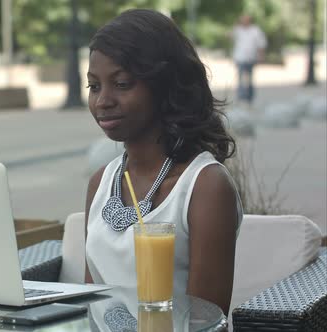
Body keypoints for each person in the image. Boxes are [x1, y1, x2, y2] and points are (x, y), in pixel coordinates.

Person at [84, 9, 242, 316]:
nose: (102, 101)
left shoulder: (204, 187)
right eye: (94, 86)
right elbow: (90, 306)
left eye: (122, 83)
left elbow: (204, 321)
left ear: (164, 85)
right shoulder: (100, 183)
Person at [230, 14, 267, 106]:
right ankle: (241, 97)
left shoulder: (255, 30)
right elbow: (229, 36)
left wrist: (261, 56)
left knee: (249, 79)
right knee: (241, 78)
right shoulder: (238, 30)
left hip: (251, 58)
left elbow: (261, 44)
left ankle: (250, 98)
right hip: (240, 58)